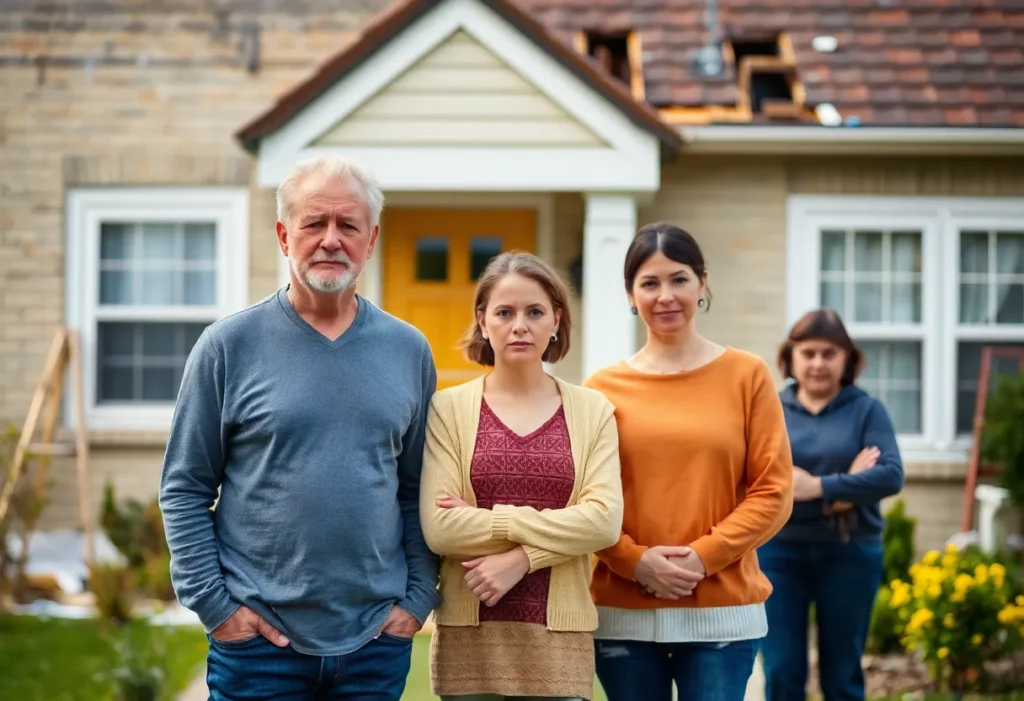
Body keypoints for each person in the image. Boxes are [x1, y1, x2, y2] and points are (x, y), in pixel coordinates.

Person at [159, 154, 440, 700]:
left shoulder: (408, 350)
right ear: (284, 235)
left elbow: (417, 490)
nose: (331, 239)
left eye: (348, 225)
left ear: (371, 240)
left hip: (375, 645)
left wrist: (416, 600)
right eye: (314, 223)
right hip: (258, 649)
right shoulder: (227, 347)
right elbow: (185, 487)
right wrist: (216, 608)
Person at [582, 222, 794, 701]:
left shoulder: (747, 375)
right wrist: (634, 562)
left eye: (678, 279)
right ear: (631, 294)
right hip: (623, 614)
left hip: (723, 613)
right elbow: (585, 499)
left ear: (702, 282)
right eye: (649, 283)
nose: (665, 296)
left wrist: (703, 558)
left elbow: (774, 491)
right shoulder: (600, 389)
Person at [418, 251, 624, 701]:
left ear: (556, 320)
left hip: (559, 650)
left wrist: (521, 558)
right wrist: (558, 529)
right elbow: (441, 528)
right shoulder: (448, 410)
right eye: (504, 312)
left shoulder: (593, 411)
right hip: (469, 649)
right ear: (482, 320)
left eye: (534, 312)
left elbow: (604, 522)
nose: (520, 326)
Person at [758, 309, 904, 701]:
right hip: (778, 554)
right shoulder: (769, 409)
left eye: (829, 353)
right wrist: (846, 490)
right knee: (782, 672)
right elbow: (753, 482)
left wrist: (816, 486)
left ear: (847, 359)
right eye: (808, 353)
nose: (818, 363)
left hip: (849, 552)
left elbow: (890, 475)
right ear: (791, 358)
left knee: (842, 677)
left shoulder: (867, 410)